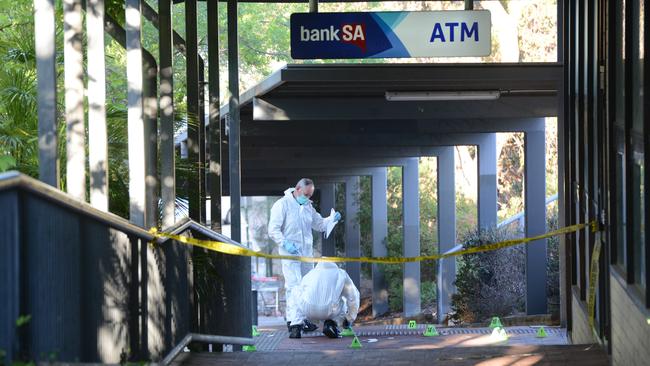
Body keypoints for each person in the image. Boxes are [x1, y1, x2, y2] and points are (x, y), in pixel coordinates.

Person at [268, 178, 341, 335]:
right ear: (297, 189)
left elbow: (319, 224)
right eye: (306, 194)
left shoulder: (308, 206)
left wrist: (331, 219)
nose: (308, 198)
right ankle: (295, 324)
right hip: (290, 253)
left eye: (310, 195)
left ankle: (299, 319)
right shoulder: (282, 205)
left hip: (306, 254)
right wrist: (286, 244)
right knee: (294, 285)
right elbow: (273, 230)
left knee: (307, 287)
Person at [288, 262, 360, 339]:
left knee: (295, 291)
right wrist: (349, 318)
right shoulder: (341, 273)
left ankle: (295, 327)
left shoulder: (310, 273)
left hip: (308, 310)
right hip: (331, 311)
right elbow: (353, 296)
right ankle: (331, 324)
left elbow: (302, 292)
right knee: (344, 299)